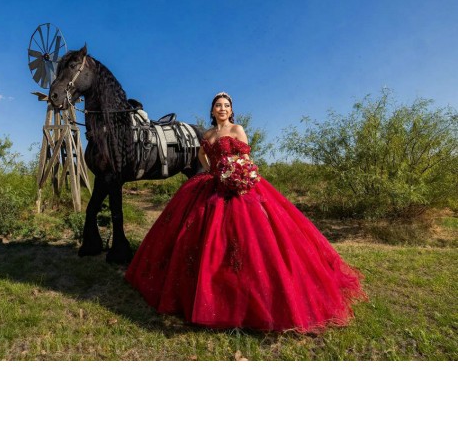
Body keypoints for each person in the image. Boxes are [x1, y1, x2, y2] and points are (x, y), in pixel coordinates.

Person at [125, 92, 367, 332]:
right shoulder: (208, 134)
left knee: (250, 238)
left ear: (231, 111)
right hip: (213, 185)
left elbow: (246, 159)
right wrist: (211, 172)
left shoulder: (237, 129)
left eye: (226, 106)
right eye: (218, 105)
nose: (222, 109)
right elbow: (201, 154)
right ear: (212, 111)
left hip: (239, 188)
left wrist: (239, 174)